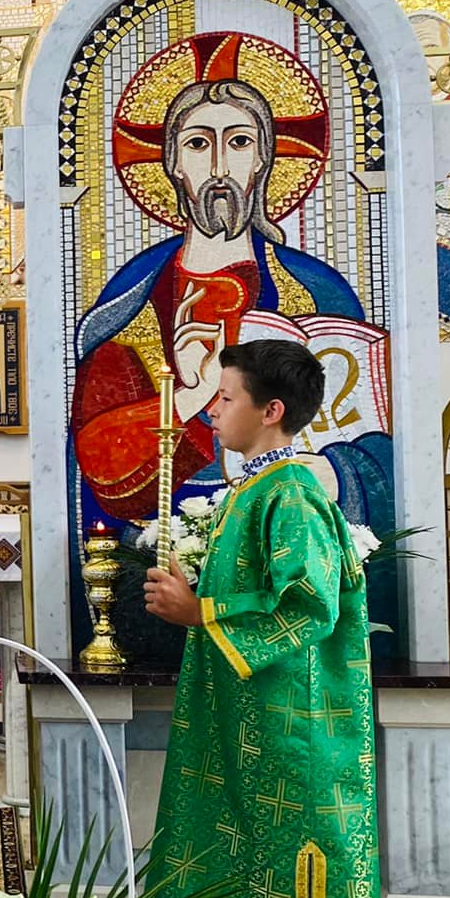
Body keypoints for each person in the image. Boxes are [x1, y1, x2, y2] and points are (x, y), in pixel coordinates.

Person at [142, 339, 380, 898]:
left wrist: (200, 609)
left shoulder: (291, 495)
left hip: (292, 737)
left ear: (271, 410)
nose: (212, 412)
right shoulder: (258, 491)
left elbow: (309, 604)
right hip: (256, 732)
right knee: (265, 894)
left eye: (226, 398)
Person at [72, 40, 392, 534]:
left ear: (263, 159)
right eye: (198, 145)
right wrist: (191, 395)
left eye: (239, 142)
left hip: (285, 521)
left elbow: (374, 426)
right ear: (174, 163)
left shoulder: (315, 290)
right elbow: (100, 465)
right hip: (168, 533)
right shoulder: (133, 300)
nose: (219, 167)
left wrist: (336, 473)